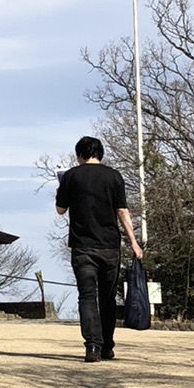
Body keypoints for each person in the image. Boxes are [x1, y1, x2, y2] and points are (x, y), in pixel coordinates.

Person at [55, 136, 144, 363]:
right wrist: (133, 242)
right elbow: (122, 212)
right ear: (100, 153)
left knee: (87, 296)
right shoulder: (114, 176)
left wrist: (62, 187)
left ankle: (92, 346)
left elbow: (60, 210)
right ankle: (107, 346)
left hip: (83, 247)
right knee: (107, 298)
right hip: (110, 246)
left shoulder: (71, 176)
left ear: (80, 155)